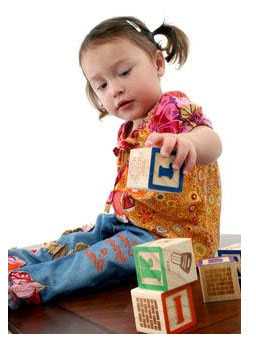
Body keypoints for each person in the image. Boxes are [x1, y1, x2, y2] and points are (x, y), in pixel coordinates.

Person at [8, 16, 222, 309]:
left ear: (158, 64)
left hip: (172, 239)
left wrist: (190, 144)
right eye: (101, 85)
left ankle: (26, 285)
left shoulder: (171, 109)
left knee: (93, 261)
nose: (114, 89)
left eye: (123, 72)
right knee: (75, 242)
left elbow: (211, 140)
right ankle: (18, 260)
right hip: (126, 225)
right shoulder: (128, 130)